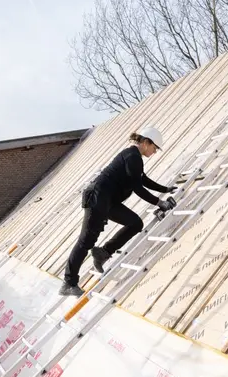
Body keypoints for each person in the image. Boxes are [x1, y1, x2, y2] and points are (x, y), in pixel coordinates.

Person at [59, 127, 177, 297]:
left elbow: (142, 179)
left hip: (108, 201)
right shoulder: (132, 156)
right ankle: (69, 283)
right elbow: (138, 188)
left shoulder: (134, 157)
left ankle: (103, 252)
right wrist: (159, 202)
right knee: (85, 241)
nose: (154, 152)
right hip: (98, 198)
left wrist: (165, 189)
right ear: (145, 142)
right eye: (154, 148)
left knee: (135, 223)